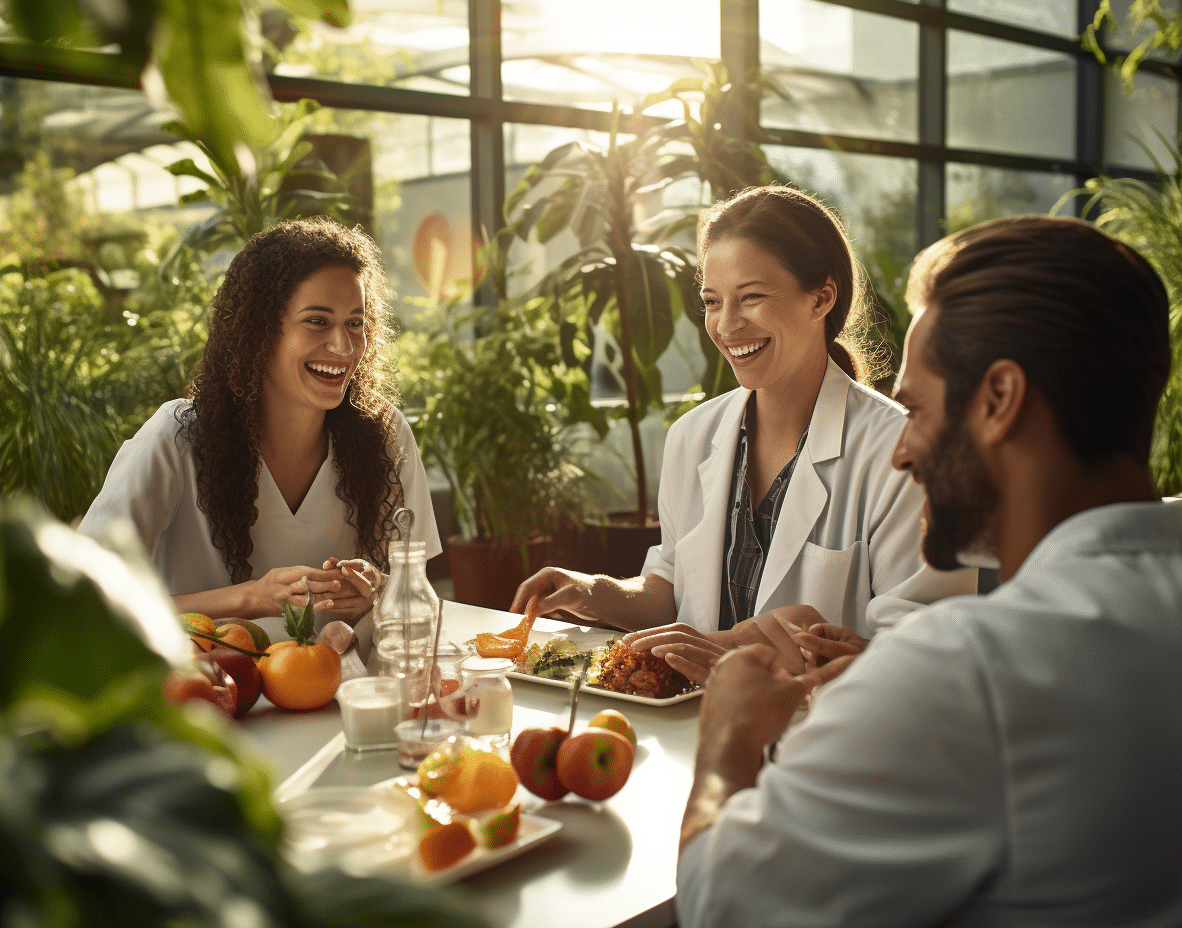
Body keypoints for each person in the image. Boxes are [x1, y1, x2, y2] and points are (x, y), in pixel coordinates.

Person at [677, 215, 1182, 926]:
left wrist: (727, 742)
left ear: (1000, 400)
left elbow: (723, 906)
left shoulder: (967, 670)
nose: (902, 451)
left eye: (915, 408)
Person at [513, 185, 974, 665]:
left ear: (821, 299)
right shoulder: (691, 437)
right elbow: (671, 591)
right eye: (712, 302)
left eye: (751, 297)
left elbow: (923, 651)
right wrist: (590, 592)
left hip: (822, 729)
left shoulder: (901, 452)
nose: (727, 325)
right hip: (687, 728)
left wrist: (742, 648)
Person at [80, 217, 440, 632]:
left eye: (354, 324)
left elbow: (416, 600)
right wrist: (250, 597)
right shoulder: (175, 439)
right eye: (317, 321)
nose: (343, 347)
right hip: (209, 691)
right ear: (258, 331)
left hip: (342, 693)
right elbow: (85, 595)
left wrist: (377, 591)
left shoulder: (385, 434)